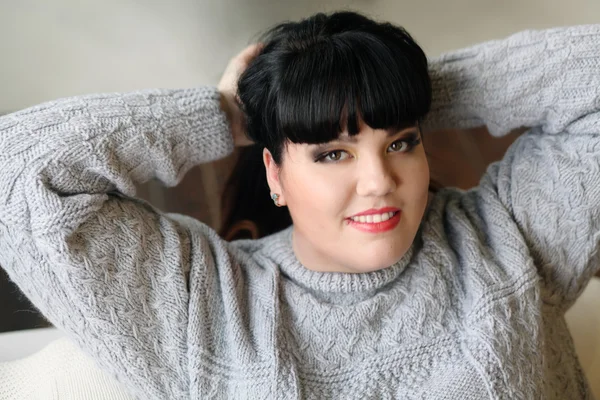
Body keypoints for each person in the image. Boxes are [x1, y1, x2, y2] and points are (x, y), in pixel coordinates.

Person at [0, 10, 598, 399]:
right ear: (275, 173)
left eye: (401, 141)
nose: (379, 181)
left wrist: (397, 89)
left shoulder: (505, 239)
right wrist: (224, 115)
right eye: (333, 153)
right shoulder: (207, 312)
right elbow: (19, 174)